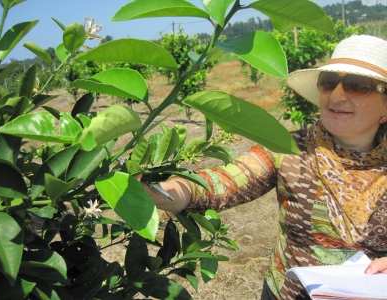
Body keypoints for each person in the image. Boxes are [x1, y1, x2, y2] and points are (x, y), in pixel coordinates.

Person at [142, 34, 387, 299]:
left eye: (358, 86)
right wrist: (159, 191)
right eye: (328, 83)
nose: (336, 96)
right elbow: (225, 180)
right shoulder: (289, 148)